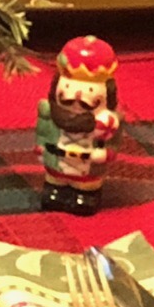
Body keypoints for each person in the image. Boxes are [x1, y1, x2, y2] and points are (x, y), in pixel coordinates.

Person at [36, 35, 120, 214]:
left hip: (87, 168)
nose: (77, 99)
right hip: (56, 162)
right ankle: (55, 191)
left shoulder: (107, 121)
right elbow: (43, 132)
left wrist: (105, 153)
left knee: (86, 187)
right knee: (55, 182)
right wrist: (41, 146)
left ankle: (85, 195)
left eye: (89, 91)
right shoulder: (50, 112)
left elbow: (113, 143)